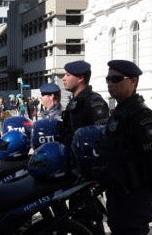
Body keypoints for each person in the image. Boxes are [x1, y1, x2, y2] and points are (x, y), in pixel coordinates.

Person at [99, 60, 152, 235]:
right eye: (108, 79)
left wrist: (149, 195)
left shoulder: (143, 117)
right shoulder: (120, 113)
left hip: (134, 199)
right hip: (118, 196)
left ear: (133, 81)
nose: (110, 84)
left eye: (116, 79)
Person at [62, 60, 109, 235]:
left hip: (89, 176)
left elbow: (102, 138)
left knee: (90, 220)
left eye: (67, 75)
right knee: (78, 219)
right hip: (77, 172)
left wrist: (97, 175)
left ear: (80, 78)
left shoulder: (93, 102)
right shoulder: (75, 101)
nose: (63, 78)